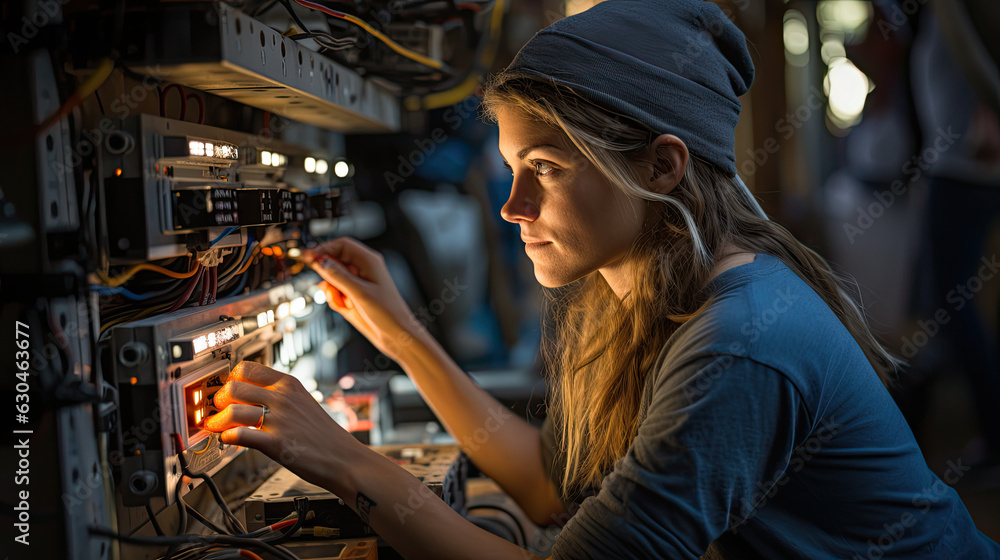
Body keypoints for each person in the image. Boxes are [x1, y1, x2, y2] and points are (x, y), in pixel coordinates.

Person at [204, 1, 1000, 558]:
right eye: (514, 166)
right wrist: (402, 334)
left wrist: (344, 461)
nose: (514, 207)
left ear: (662, 165)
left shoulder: (736, 344)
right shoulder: (642, 289)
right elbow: (552, 488)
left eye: (546, 168)